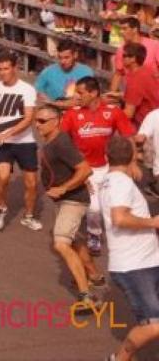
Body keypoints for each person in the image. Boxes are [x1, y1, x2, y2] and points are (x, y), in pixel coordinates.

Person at [36, 104, 106, 311]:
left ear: (55, 121)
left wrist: (63, 188)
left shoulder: (61, 143)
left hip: (72, 200)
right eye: (36, 120)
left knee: (61, 243)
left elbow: (85, 170)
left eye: (42, 121)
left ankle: (87, 297)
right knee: (75, 241)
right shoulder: (53, 142)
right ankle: (94, 275)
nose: (37, 125)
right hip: (66, 200)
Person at [98, 136, 159, 361]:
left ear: (106, 157)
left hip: (146, 261)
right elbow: (119, 218)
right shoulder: (119, 183)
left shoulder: (111, 181)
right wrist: (152, 222)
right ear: (133, 157)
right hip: (134, 267)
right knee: (154, 325)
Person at [61, 76, 135, 255]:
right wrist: (74, 170)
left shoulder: (114, 112)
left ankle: (123, 235)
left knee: (116, 203)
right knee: (94, 207)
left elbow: (128, 136)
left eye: (81, 92)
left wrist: (132, 163)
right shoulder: (72, 114)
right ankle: (94, 233)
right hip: (86, 169)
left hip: (110, 167)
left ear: (93, 93)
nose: (77, 96)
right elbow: (62, 143)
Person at [0, 53, 41, 232]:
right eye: (0, 69)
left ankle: (28, 216)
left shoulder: (27, 89)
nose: (2, 73)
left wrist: (5, 134)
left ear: (15, 68)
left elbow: (28, 119)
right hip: (3, 143)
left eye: (6, 69)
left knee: (31, 183)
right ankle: (1, 208)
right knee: (3, 177)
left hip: (25, 142)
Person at [35, 40, 93, 108]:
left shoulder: (86, 72)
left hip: (77, 111)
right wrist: (46, 99)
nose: (62, 61)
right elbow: (38, 91)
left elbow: (86, 99)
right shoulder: (48, 71)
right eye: (60, 58)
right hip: (54, 112)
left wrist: (55, 103)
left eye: (66, 57)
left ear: (75, 55)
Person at [109, 17, 159, 92]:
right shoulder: (121, 50)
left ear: (135, 29)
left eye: (125, 28)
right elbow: (118, 74)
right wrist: (111, 94)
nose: (121, 32)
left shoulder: (154, 45)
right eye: (121, 29)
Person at [119, 42, 159, 126]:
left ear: (133, 58)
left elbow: (128, 114)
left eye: (124, 55)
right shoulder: (147, 70)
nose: (121, 58)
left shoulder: (136, 79)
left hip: (145, 125)